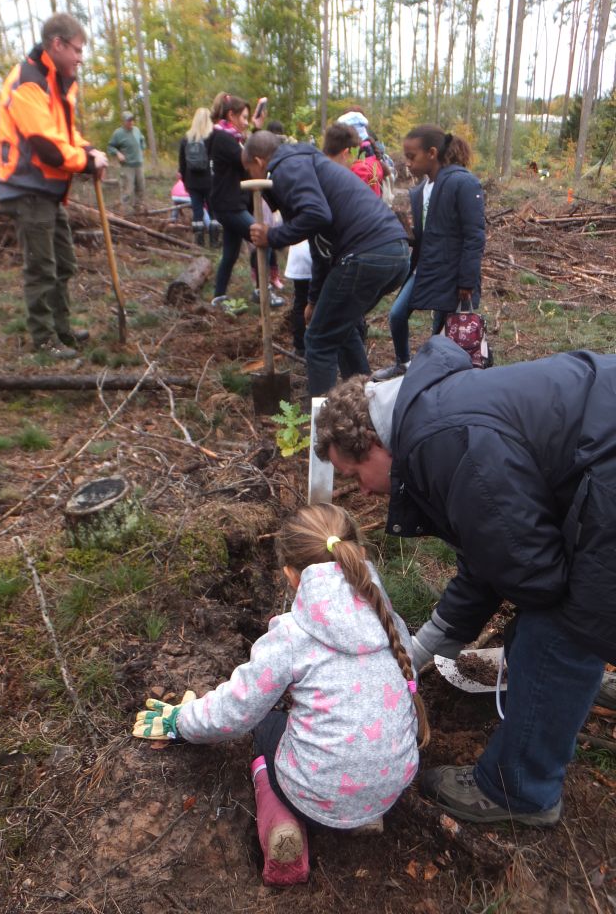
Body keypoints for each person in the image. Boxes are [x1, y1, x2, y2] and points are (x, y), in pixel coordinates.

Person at [314, 335, 615, 827]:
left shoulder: (446, 444)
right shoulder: (432, 410)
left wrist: (522, 635)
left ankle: (518, 789)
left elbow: (534, 577)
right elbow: (496, 544)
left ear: (371, 444)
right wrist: (421, 649)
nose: (362, 490)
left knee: (555, 631)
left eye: (355, 474)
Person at [133, 503, 427, 885]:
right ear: (360, 556)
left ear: (291, 574)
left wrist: (181, 722)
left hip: (316, 794)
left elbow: (234, 712)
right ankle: (365, 816)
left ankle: (282, 823)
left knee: (267, 727)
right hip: (390, 787)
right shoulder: (390, 620)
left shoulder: (292, 636)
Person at [243, 131, 409, 396]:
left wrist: (272, 236)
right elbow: (319, 245)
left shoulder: (286, 166)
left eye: (248, 168)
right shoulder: (306, 164)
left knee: (319, 340)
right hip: (394, 253)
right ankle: (364, 403)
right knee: (340, 329)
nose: (250, 175)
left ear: (259, 160)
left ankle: (323, 426)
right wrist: (314, 298)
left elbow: (316, 215)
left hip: (366, 253)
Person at [0, 12, 108, 360]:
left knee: (64, 262)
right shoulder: (28, 82)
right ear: (57, 44)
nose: (80, 57)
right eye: (77, 49)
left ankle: (62, 329)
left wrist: (88, 149)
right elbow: (45, 145)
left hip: (49, 192)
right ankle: (44, 340)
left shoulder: (60, 81)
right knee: (42, 267)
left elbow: (65, 135)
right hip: (28, 190)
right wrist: (86, 163)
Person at [372, 125, 485, 381]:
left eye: (412, 156)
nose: (407, 163)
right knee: (397, 314)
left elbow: (474, 234)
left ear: (432, 153)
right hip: (424, 267)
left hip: (451, 273)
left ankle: (440, 379)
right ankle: (404, 364)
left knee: (441, 332)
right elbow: (430, 234)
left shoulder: (462, 182)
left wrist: (467, 279)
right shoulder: (422, 189)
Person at [207, 94, 282, 308]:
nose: (246, 122)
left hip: (230, 204)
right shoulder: (223, 138)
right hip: (229, 205)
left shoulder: (230, 137)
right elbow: (246, 159)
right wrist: (256, 131)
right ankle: (262, 290)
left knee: (230, 253)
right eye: (244, 117)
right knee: (263, 240)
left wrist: (254, 130)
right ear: (231, 115)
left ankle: (219, 296)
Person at [179, 106, 213, 246]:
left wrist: (185, 181)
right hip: (210, 180)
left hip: (192, 181)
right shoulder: (212, 137)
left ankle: (199, 242)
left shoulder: (186, 138)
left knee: (197, 211)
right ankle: (214, 240)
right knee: (213, 210)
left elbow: (182, 162)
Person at [107, 111, 146, 213]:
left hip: (139, 164)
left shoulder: (136, 130)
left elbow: (142, 139)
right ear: (124, 121)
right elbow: (110, 146)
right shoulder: (118, 133)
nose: (131, 122)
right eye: (128, 120)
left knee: (141, 188)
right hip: (127, 166)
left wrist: (142, 149)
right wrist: (118, 153)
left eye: (132, 120)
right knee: (127, 190)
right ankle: (125, 211)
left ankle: (139, 209)